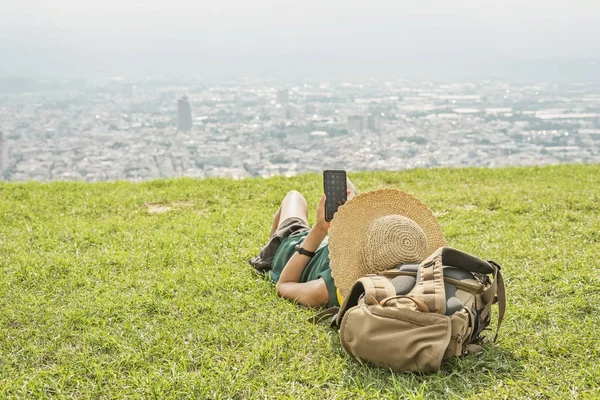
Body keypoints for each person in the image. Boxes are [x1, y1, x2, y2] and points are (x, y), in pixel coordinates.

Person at [249, 179, 446, 308]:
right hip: (322, 243)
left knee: (294, 197)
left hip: (292, 247)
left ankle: (267, 252)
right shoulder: (403, 278)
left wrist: (318, 230)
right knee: (340, 188)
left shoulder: (326, 289)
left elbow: (284, 285)